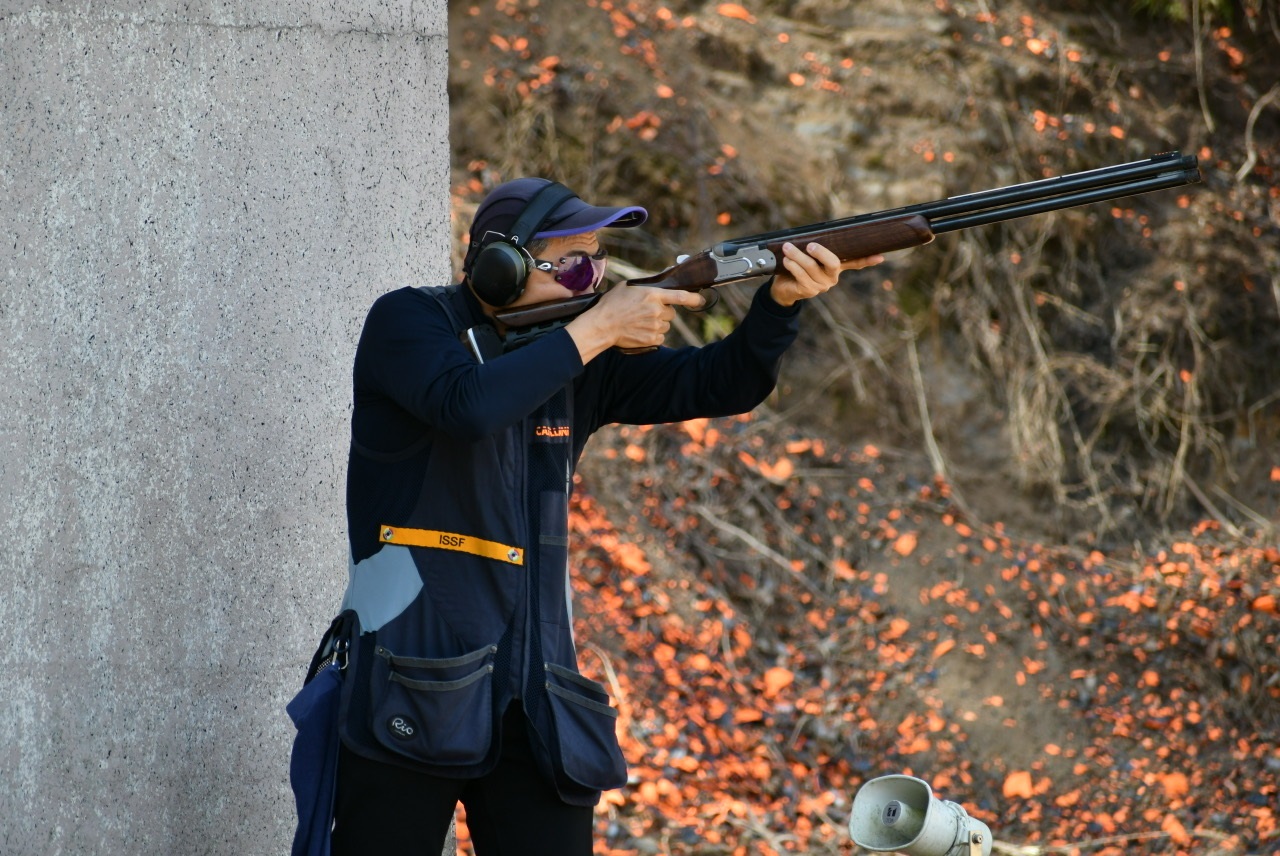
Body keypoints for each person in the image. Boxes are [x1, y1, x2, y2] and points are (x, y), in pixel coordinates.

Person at [327, 177, 884, 855]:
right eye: (572, 264)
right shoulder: (410, 322)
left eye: (596, 262)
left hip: (535, 692)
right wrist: (597, 330)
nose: (591, 280)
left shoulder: (577, 359)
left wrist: (780, 306)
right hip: (410, 675)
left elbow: (720, 382)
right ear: (499, 267)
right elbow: (467, 405)